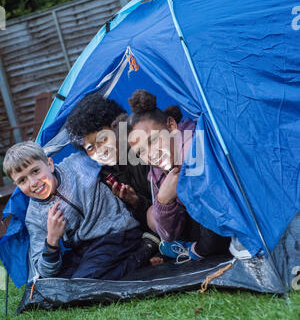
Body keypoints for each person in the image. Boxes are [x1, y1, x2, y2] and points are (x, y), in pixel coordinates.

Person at [3, 141, 158, 282]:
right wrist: (51, 240)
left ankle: (145, 250)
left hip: (118, 230)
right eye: (22, 180)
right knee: (56, 283)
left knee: (83, 281)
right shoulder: (34, 217)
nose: (33, 183)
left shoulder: (77, 163)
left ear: (49, 164)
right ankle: (139, 257)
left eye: (35, 171)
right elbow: (43, 271)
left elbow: (102, 145)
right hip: (84, 248)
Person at [126, 89, 231, 262]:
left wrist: (199, 250)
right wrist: (164, 201)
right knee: (152, 214)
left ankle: (194, 249)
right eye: (141, 151)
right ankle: (183, 246)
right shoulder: (156, 173)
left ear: (172, 126)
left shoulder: (194, 145)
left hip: (222, 216)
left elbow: (215, 203)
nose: (151, 153)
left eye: (153, 140)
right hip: (195, 219)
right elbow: (169, 234)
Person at [65, 93, 152, 231]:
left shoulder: (145, 152)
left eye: (103, 139)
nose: (101, 150)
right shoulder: (104, 179)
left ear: (116, 128)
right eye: (90, 147)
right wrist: (136, 202)